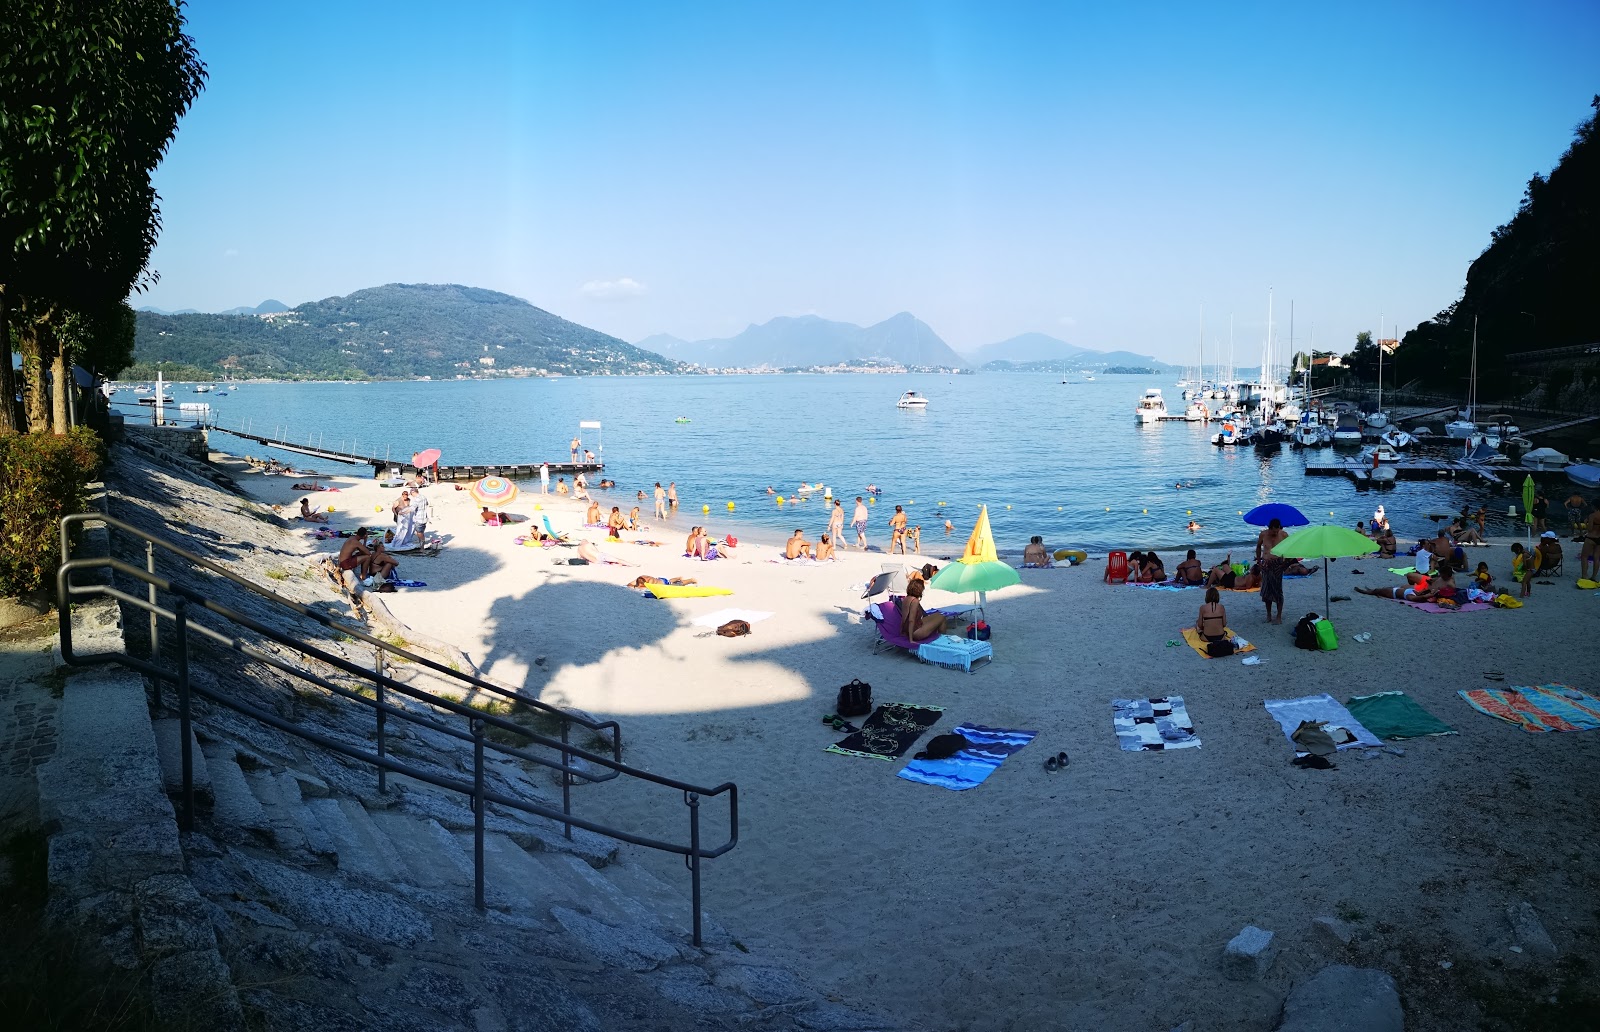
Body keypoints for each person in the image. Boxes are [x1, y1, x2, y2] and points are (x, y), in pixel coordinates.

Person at [1358, 565, 1457, 602]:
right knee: (1409, 575)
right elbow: (1437, 579)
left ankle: (1371, 591)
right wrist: (1433, 580)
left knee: (1400, 588)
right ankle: (1372, 590)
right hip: (1425, 585)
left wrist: (1430, 593)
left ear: (1447, 575)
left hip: (1422, 590)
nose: (1441, 576)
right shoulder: (1442, 576)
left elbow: (1449, 593)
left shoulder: (1450, 583)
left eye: (1442, 575)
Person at [1257, 518, 1291, 624]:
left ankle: (1279, 616)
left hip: (1277, 565)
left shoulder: (1284, 535)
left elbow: (1290, 549)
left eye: (1277, 531)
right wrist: (1258, 561)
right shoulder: (1263, 534)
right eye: (1274, 531)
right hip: (1266, 565)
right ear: (1270, 528)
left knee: (1277, 591)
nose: (1276, 533)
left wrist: (1286, 563)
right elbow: (1258, 547)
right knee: (1266, 591)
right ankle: (1268, 615)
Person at [901, 578, 946, 643]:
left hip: (910, 628)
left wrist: (902, 631)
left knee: (938, 615)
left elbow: (904, 618)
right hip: (916, 632)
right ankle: (942, 640)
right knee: (942, 618)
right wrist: (911, 640)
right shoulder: (914, 601)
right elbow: (911, 620)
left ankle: (939, 636)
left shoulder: (906, 599)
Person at [1584, 503, 1600, 582]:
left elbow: (1590, 529)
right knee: (1596, 558)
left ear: (1594, 506)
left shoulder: (1592, 515)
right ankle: (1594, 576)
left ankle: (1584, 575)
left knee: (1584, 557)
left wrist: (1586, 522)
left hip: (1591, 537)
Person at [627, 574, 698, 588]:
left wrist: (635, 587)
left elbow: (650, 588)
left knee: (679, 584)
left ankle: (691, 580)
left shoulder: (650, 582)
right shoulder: (640, 577)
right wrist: (633, 586)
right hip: (660, 579)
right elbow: (629, 584)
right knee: (670, 580)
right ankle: (678, 577)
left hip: (664, 583)